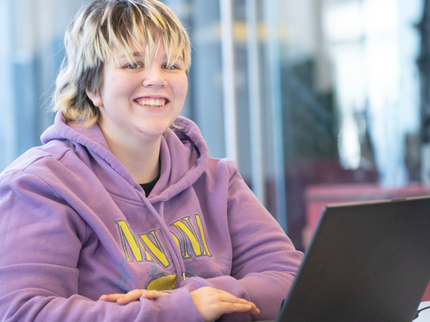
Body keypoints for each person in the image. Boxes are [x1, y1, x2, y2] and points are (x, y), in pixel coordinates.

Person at [0, 0, 303, 321]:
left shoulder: (216, 179)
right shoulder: (38, 184)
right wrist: (181, 309)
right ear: (92, 86)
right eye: (133, 64)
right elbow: (23, 311)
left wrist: (202, 299)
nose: (156, 79)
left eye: (171, 65)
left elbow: (290, 278)